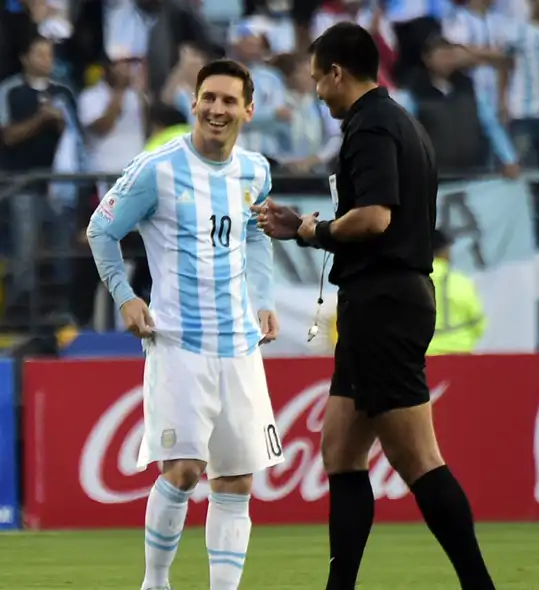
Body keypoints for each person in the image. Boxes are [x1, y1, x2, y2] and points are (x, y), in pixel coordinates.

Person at [253, 22, 496, 590]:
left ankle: (479, 585)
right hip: (377, 302)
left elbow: (375, 217)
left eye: (318, 79)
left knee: (418, 459)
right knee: (338, 450)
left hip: (386, 302)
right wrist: (305, 227)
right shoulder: (400, 122)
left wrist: (312, 231)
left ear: (338, 72)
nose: (316, 91)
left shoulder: (369, 127)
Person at [86, 59, 283, 590]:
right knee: (184, 470)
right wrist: (125, 297)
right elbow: (100, 230)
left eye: (228, 100)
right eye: (208, 98)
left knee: (237, 480)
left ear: (248, 108)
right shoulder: (157, 168)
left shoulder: (255, 171)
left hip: (240, 345)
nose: (217, 109)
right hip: (177, 341)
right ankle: (156, 583)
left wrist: (262, 298)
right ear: (193, 102)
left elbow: (259, 233)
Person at [427, 228, 486, 355]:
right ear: (444, 251)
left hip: (423, 356)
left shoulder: (411, 283)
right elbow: (479, 323)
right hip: (460, 354)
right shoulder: (461, 282)